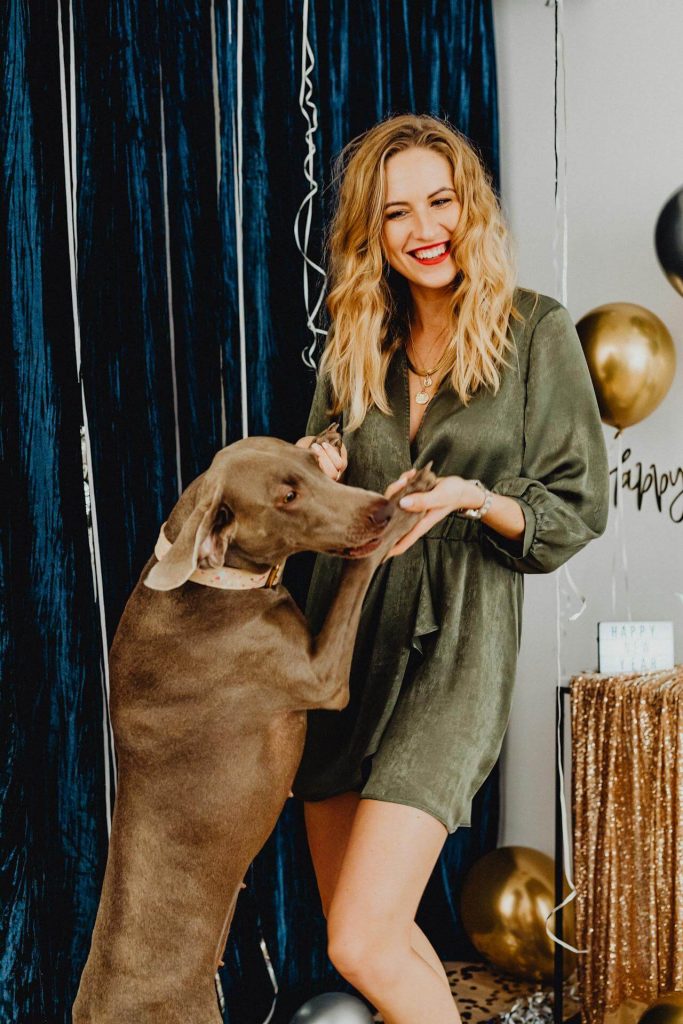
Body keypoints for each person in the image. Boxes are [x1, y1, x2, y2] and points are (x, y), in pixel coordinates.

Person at [292, 113, 609, 1024]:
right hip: (343, 643)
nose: (423, 229)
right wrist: (317, 458)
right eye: (397, 214)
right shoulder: (359, 338)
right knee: (375, 941)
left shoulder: (533, 332)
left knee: (357, 939)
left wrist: (473, 498)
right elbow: (323, 458)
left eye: (440, 201)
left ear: (471, 209)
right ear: (372, 234)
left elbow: (573, 505)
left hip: (456, 648)